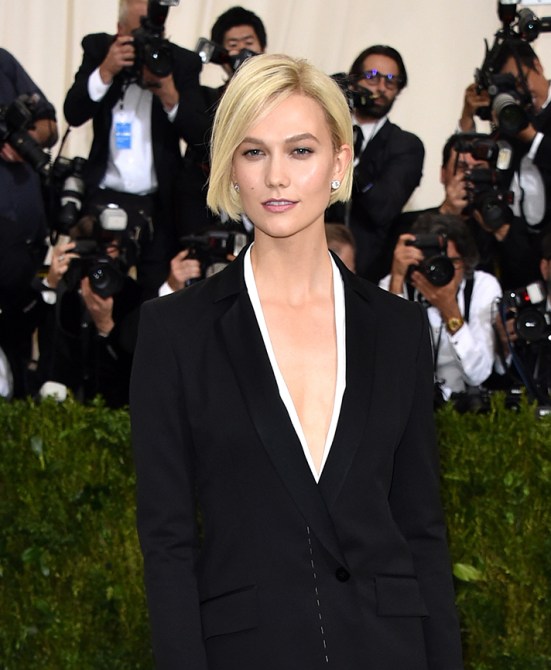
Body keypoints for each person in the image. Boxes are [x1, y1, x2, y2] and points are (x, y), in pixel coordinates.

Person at [130, 53, 463, 669]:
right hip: (250, 651)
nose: (276, 176)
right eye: (254, 152)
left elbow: (421, 527)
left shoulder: (397, 329)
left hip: (390, 649)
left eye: (301, 150)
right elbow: (167, 542)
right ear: (231, 168)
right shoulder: (176, 332)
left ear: (339, 163)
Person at [63, 0, 210, 295]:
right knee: (92, 288)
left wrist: (169, 93)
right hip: (102, 198)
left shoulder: (180, 62)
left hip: (157, 207)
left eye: (154, 31)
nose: (146, 41)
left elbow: (202, 137)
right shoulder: (99, 50)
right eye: (137, 31)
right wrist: (105, 71)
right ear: (120, 30)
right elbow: (73, 113)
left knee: (153, 295)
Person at [379, 213, 502, 404]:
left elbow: (478, 374)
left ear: (465, 261)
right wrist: (397, 281)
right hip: (410, 403)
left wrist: (449, 309)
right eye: (434, 261)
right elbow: (388, 364)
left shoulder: (482, 286)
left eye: (452, 263)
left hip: (465, 406)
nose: (442, 270)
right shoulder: (394, 283)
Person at [327, 45, 424, 282]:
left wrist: (351, 163)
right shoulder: (325, 130)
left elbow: (383, 209)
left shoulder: (405, 145)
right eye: (372, 77)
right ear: (353, 81)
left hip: (368, 271)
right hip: (309, 256)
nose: (380, 87)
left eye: (390, 81)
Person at [398, 132, 541, 290]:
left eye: (479, 170)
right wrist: (448, 213)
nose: (470, 178)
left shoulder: (509, 226)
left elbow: (531, 280)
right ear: (443, 174)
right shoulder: (410, 223)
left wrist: (500, 229)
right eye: (462, 168)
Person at [176, 6, 267, 236]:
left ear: (263, 49)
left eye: (249, 42)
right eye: (233, 45)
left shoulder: (278, 101)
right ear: (220, 53)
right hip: (208, 213)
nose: (242, 52)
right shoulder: (205, 99)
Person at [0, 47, 58, 397]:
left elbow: (50, 129)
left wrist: (26, 135)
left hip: (27, 239)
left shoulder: (3, 62)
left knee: (21, 342)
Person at [459, 40, 551, 235]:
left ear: (537, 66)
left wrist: (531, 137)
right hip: (515, 243)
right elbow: (470, 166)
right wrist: (467, 117)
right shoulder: (509, 124)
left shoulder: (523, 128)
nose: (520, 93)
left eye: (519, 82)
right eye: (510, 89)